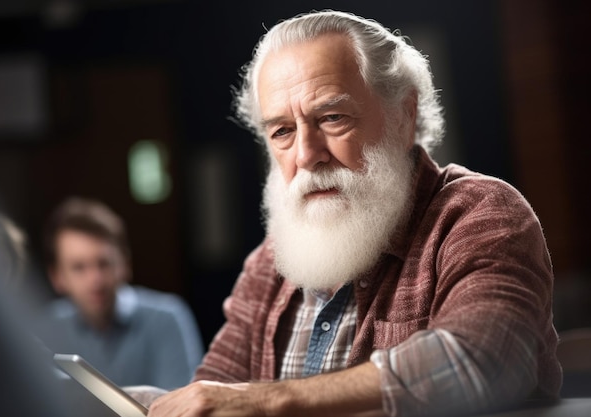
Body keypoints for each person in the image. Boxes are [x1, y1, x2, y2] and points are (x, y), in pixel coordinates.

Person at [144, 10, 562, 417]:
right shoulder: (270, 260)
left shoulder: (478, 213)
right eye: (283, 131)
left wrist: (269, 400)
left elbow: (482, 359)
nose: (307, 155)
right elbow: (218, 391)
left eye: (331, 118)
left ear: (404, 113)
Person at [34, 197, 204, 390]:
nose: (95, 280)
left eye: (104, 263)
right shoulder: (45, 328)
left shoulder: (167, 317)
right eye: (79, 267)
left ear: (125, 264)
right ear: (57, 277)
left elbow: (182, 408)